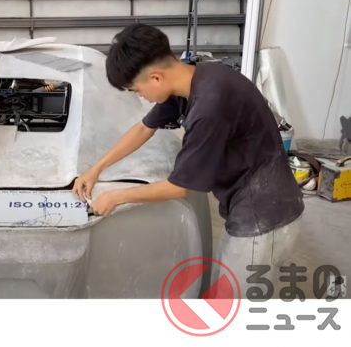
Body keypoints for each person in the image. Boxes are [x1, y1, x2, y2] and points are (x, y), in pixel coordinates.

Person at [73, 23, 304, 297]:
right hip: (249, 205)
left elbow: (179, 187)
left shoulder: (209, 107)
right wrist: (96, 169)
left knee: (232, 306)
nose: (142, 97)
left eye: (137, 90)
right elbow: (144, 129)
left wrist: (116, 197)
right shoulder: (192, 78)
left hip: (264, 218)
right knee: (221, 295)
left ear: (155, 78)